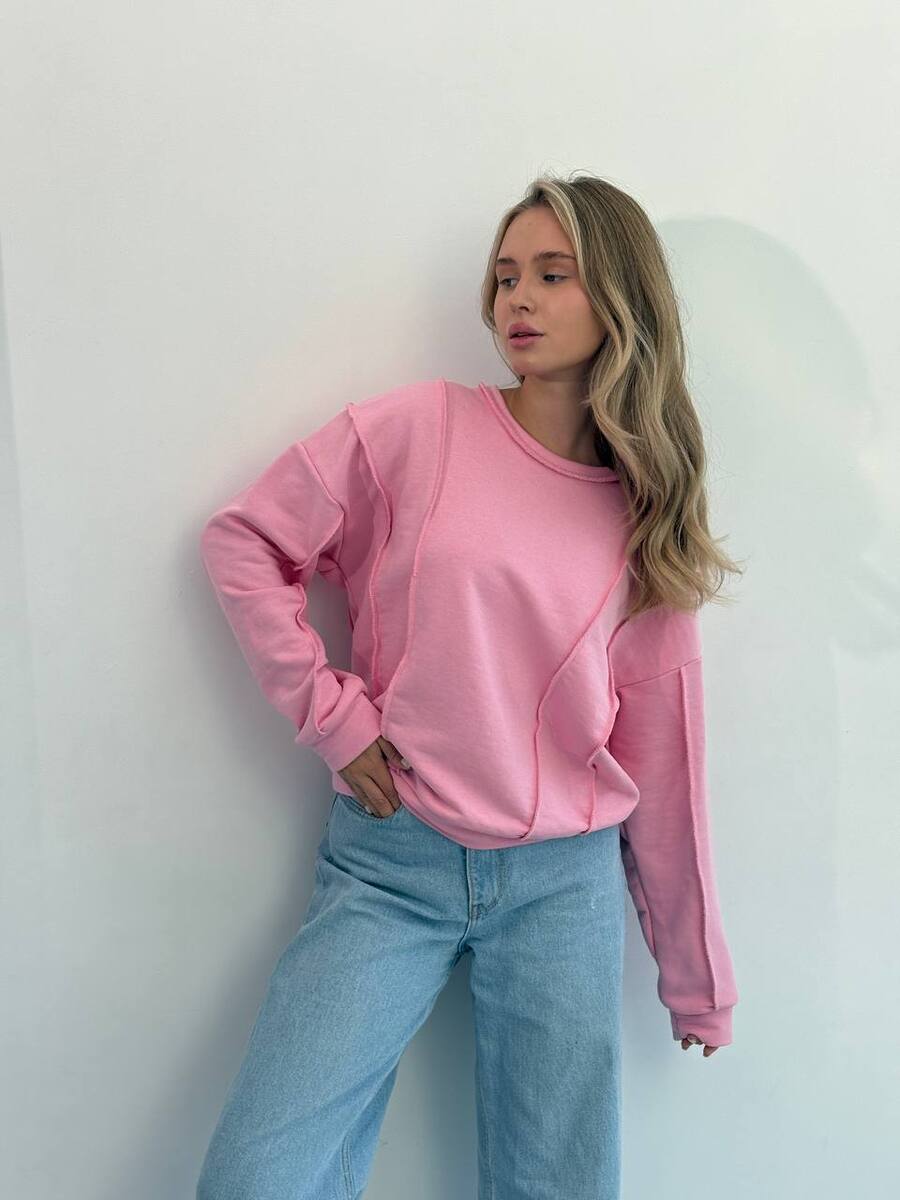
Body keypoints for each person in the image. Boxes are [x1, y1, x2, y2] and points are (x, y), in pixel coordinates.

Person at [195, 172, 742, 1200]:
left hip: (563, 887)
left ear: (620, 296)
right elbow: (245, 542)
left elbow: (667, 761)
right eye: (504, 276)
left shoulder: (644, 514)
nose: (517, 299)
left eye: (552, 274)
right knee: (259, 1177)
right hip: (391, 860)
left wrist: (696, 978)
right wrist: (333, 717)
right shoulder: (416, 431)